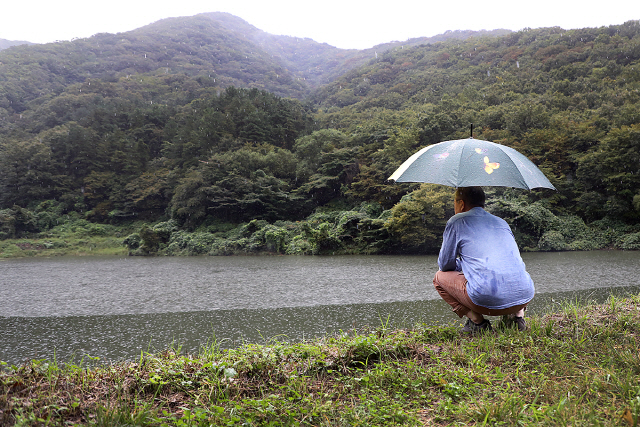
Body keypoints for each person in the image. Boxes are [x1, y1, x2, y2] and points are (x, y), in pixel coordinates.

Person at [433, 187, 534, 333]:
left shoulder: (457, 221)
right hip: (524, 296)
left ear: (461, 204)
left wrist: (463, 265)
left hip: (487, 302)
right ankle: (516, 317)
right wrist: (468, 264)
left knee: (439, 278)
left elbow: (445, 264)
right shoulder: (501, 222)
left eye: (454, 202)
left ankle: (477, 322)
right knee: (510, 269)